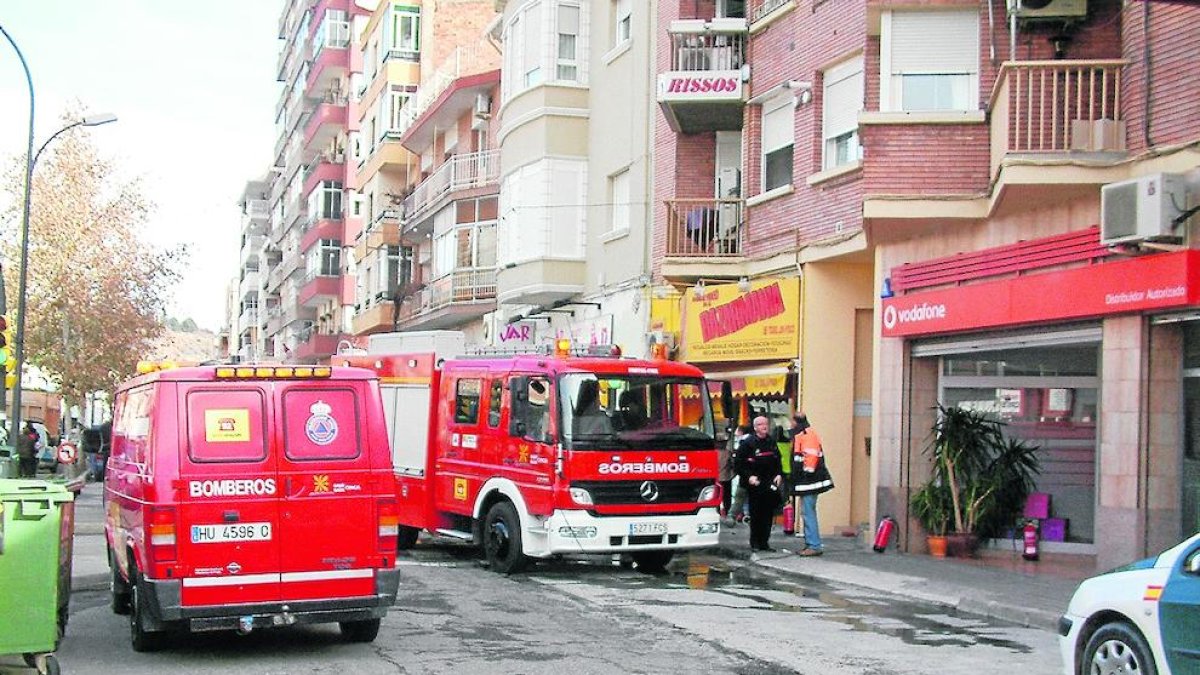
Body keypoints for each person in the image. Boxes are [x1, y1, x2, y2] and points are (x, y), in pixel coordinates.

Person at [734, 416, 784, 551]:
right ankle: (755, 543)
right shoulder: (748, 443)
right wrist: (749, 476)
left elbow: (777, 460)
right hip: (755, 484)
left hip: (769, 483)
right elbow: (738, 464)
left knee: (768, 514)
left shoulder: (771, 442)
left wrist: (779, 474)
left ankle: (764, 543)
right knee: (756, 514)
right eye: (761, 424)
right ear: (755, 427)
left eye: (766, 424)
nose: (764, 426)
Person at [791, 412, 834, 556]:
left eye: (792, 422)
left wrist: (805, 474)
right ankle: (811, 544)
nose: (791, 425)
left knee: (808, 512)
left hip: (809, 481)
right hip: (809, 481)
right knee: (807, 512)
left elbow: (810, 457)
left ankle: (813, 545)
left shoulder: (807, 435)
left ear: (796, 422)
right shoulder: (805, 434)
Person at [727, 424, 752, 523]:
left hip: (745, 476)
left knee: (740, 496)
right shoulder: (754, 441)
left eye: (737, 431)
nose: (735, 434)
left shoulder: (743, 442)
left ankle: (732, 516)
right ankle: (747, 514)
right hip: (753, 475)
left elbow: (738, 461)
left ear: (741, 432)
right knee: (748, 496)